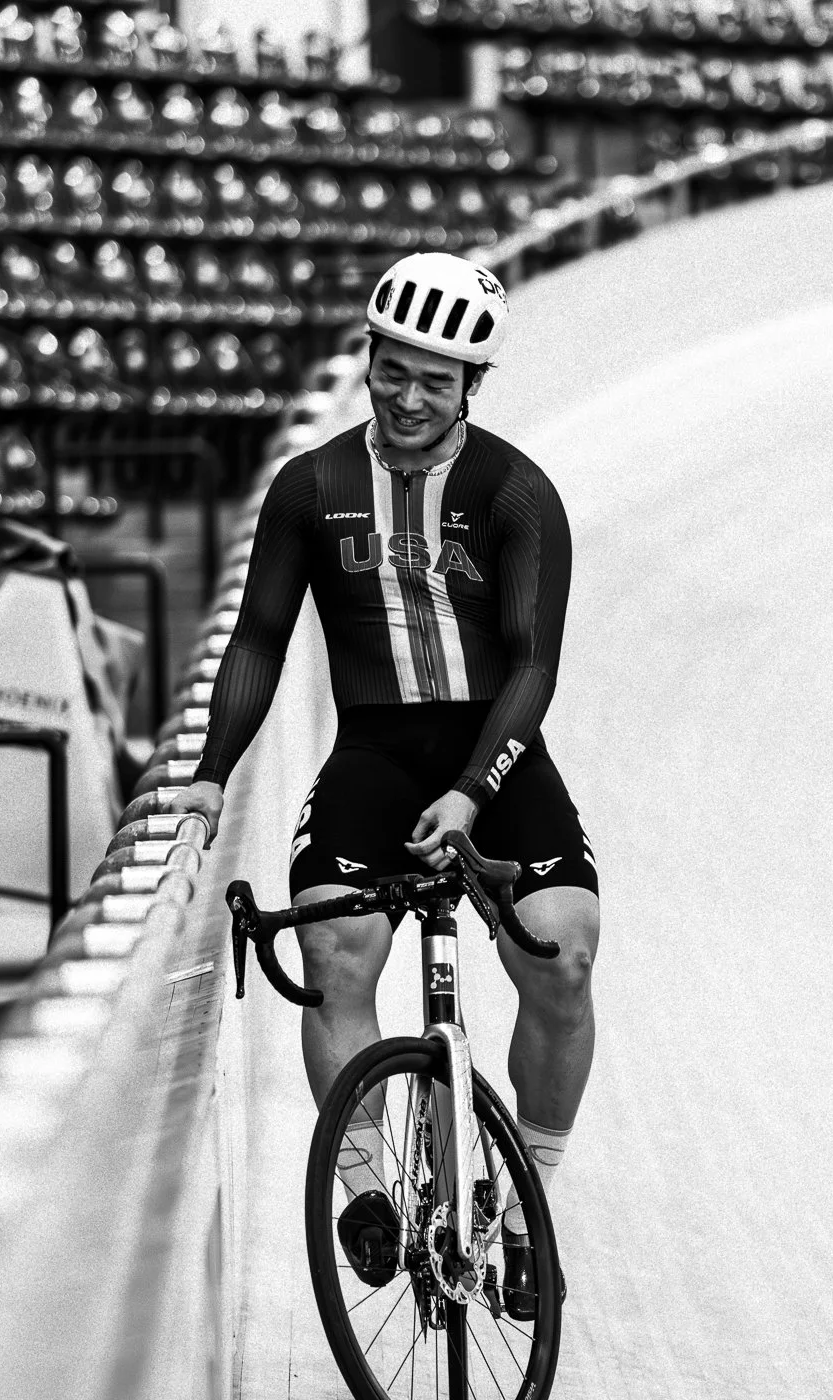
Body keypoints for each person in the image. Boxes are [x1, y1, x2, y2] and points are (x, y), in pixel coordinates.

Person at [171, 251, 597, 1319]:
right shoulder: (309, 487)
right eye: (391, 370)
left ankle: (524, 1202)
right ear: (366, 360)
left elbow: (533, 665)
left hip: (491, 751)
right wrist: (208, 778)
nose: (408, 397)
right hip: (372, 746)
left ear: (470, 388)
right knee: (329, 941)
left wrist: (468, 791)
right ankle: (367, 1187)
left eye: (434, 381)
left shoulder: (514, 492)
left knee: (564, 947)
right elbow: (258, 638)